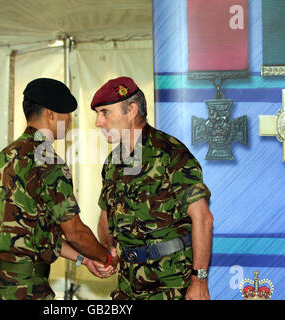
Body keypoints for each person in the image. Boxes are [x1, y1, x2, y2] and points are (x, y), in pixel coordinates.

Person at [0, 78, 118, 300]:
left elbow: (36, 234)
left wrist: (84, 259)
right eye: (67, 115)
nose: (70, 121)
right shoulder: (48, 162)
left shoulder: (5, 156)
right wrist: (106, 258)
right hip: (24, 288)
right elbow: (75, 232)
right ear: (51, 114)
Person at [91, 76, 213, 300]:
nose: (98, 122)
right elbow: (106, 217)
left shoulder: (171, 153)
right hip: (127, 284)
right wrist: (107, 252)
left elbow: (203, 218)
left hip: (169, 283)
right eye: (97, 114)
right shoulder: (112, 163)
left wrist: (199, 279)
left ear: (131, 110)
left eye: (105, 112)